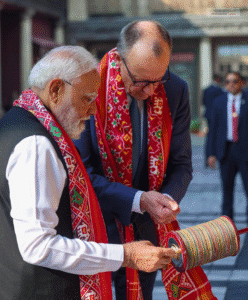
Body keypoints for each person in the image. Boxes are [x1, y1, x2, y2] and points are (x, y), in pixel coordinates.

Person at [0, 46, 176, 300]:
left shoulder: (19, 121)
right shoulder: (36, 145)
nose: (93, 111)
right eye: (87, 99)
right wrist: (125, 255)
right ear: (56, 89)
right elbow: (38, 246)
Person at [75, 21, 217, 300]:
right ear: (119, 58)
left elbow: (181, 164)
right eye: (140, 81)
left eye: (158, 80)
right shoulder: (90, 85)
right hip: (97, 224)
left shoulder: (175, 89)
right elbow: (81, 171)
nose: (150, 91)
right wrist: (139, 198)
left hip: (147, 227)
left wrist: (165, 199)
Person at [207, 72, 248, 220]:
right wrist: (210, 154)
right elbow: (213, 130)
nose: (231, 84)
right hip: (226, 152)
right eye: (228, 81)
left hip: (245, 152)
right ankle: (227, 229)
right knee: (227, 192)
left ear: (241, 83)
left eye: (235, 81)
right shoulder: (219, 102)